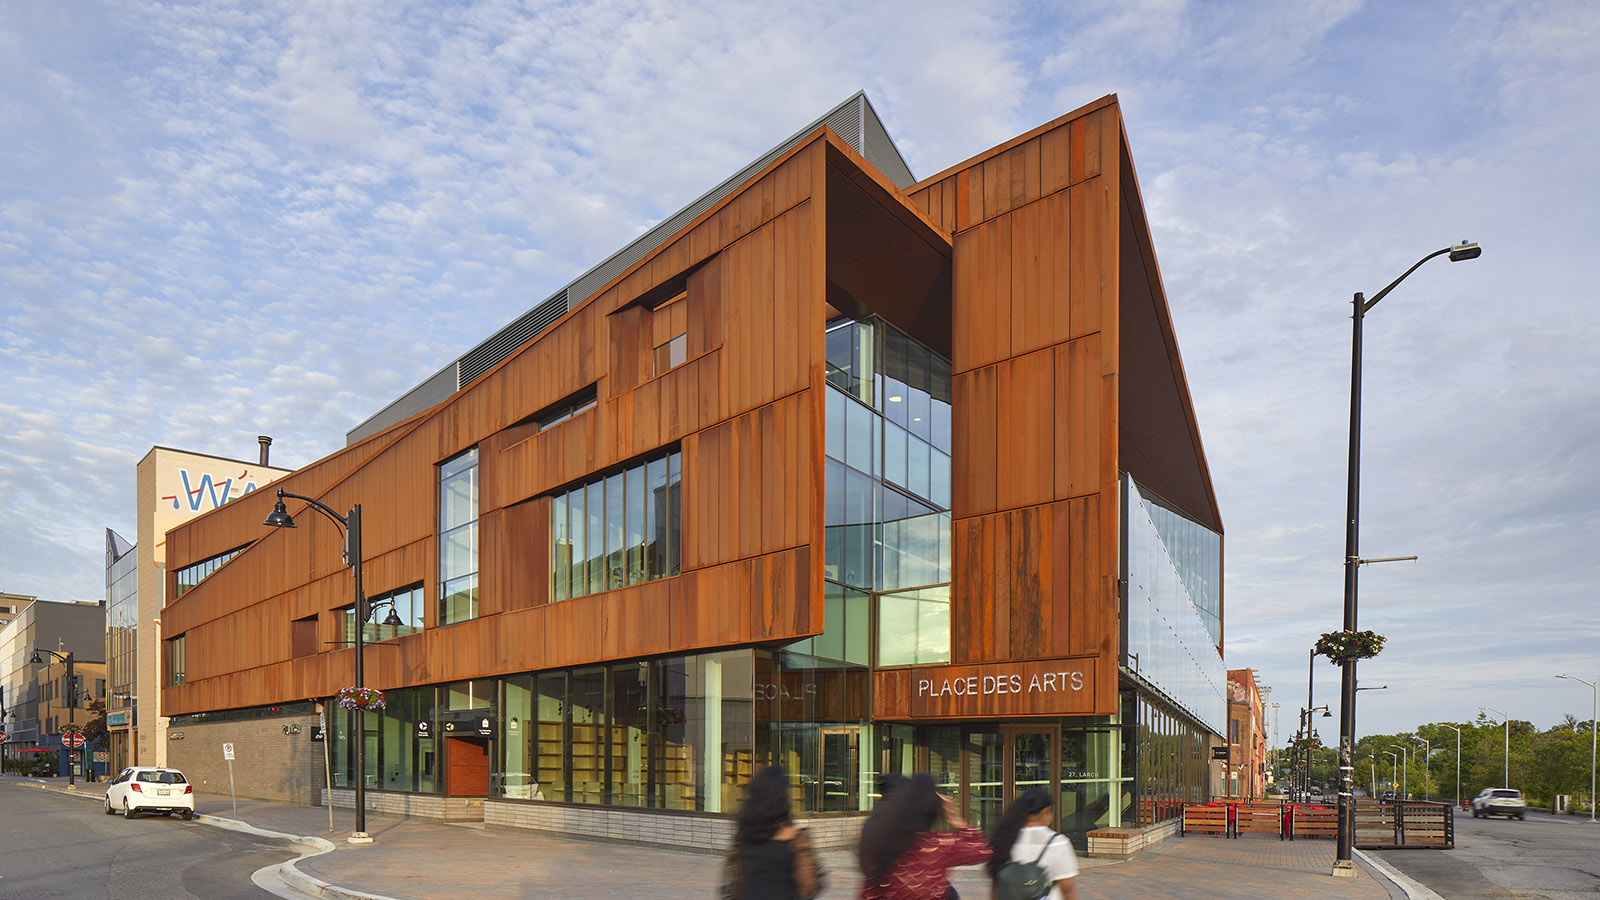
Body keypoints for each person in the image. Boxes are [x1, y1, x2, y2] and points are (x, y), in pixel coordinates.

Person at [859, 772, 991, 900]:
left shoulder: (880, 837)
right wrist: (953, 818)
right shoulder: (938, 845)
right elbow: (983, 849)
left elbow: (870, 891)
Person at [722, 766, 821, 900]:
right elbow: (812, 885)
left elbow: (731, 884)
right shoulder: (794, 838)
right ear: (781, 798)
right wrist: (804, 849)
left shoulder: (743, 835)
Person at [987, 787, 1079, 900]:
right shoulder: (1057, 843)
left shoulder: (1005, 839)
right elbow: (1068, 890)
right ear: (1046, 811)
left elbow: (996, 888)